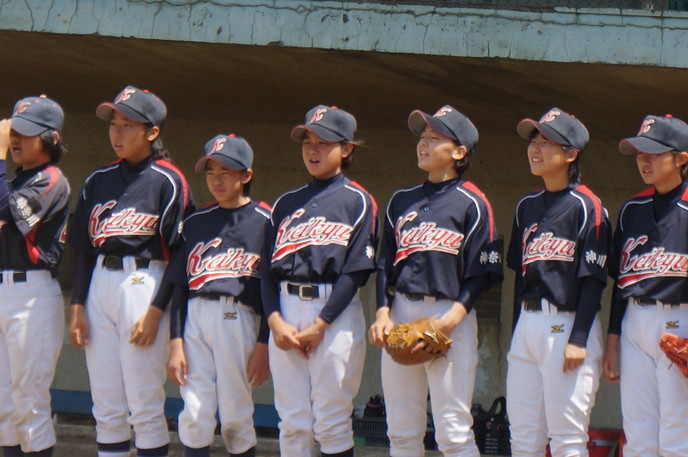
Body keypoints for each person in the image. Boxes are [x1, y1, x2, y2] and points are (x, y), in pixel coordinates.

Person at [369, 105, 503, 457]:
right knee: (401, 432)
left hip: (450, 314)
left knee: (453, 433)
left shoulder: (473, 202)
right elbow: (384, 264)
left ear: (459, 152)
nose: (423, 143)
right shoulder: (401, 200)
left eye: (434, 138)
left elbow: (482, 273)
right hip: (402, 311)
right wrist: (382, 313)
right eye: (422, 137)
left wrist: (448, 323)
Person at [68, 86, 192, 457]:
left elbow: (181, 256)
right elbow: (84, 249)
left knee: (144, 405)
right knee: (105, 405)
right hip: (100, 283)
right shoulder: (98, 179)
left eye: (127, 125)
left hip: (145, 283)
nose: (116, 132)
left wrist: (156, 310)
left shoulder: (168, 180)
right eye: (114, 123)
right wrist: (77, 305)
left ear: (152, 132)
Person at [261, 105, 378, 457]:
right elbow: (265, 271)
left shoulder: (358, 201)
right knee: (293, 422)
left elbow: (356, 271)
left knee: (331, 421)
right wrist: (274, 321)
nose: (312, 150)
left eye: (323, 142)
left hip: (335, 312)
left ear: (347, 149)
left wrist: (321, 323)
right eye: (307, 141)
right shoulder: (285, 204)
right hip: (285, 308)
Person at [506, 108, 610, 457]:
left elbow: (594, 281)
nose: (535, 149)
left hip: (566, 324)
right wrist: (518, 331)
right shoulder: (526, 205)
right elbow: (520, 275)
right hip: (528, 324)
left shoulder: (587, 206)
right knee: (523, 439)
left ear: (570, 154)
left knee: (567, 439)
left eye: (546, 142)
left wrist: (578, 338)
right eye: (533, 141)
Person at [164, 134, 271, 457]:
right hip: (195, 315)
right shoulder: (196, 222)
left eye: (225, 172)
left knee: (235, 414)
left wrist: (264, 343)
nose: (216, 180)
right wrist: (175, 341)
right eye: (210, 172)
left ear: (246, 175)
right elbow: (180, 286)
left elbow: (271, 290)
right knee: (195, 412)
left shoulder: (266, 221)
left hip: (237, 315)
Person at [603, 114, 688, 457]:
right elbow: (621, 282)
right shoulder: (631, 209)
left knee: (678, 433)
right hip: (634, 324)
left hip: (679, 322)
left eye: (654, 153)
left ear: (681, 159)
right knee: (637, 435)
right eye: (640, 152)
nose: (644, 160)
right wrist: (612, 341)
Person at [0, 96, 70, 457]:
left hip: (32, 296)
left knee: (29, 404)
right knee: (3, 408)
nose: (15, 139)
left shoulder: (51, 180)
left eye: (25, 133)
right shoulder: (13, 181)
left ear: (51, 139)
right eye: (13, 131)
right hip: (4, 291)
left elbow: (6, 209)